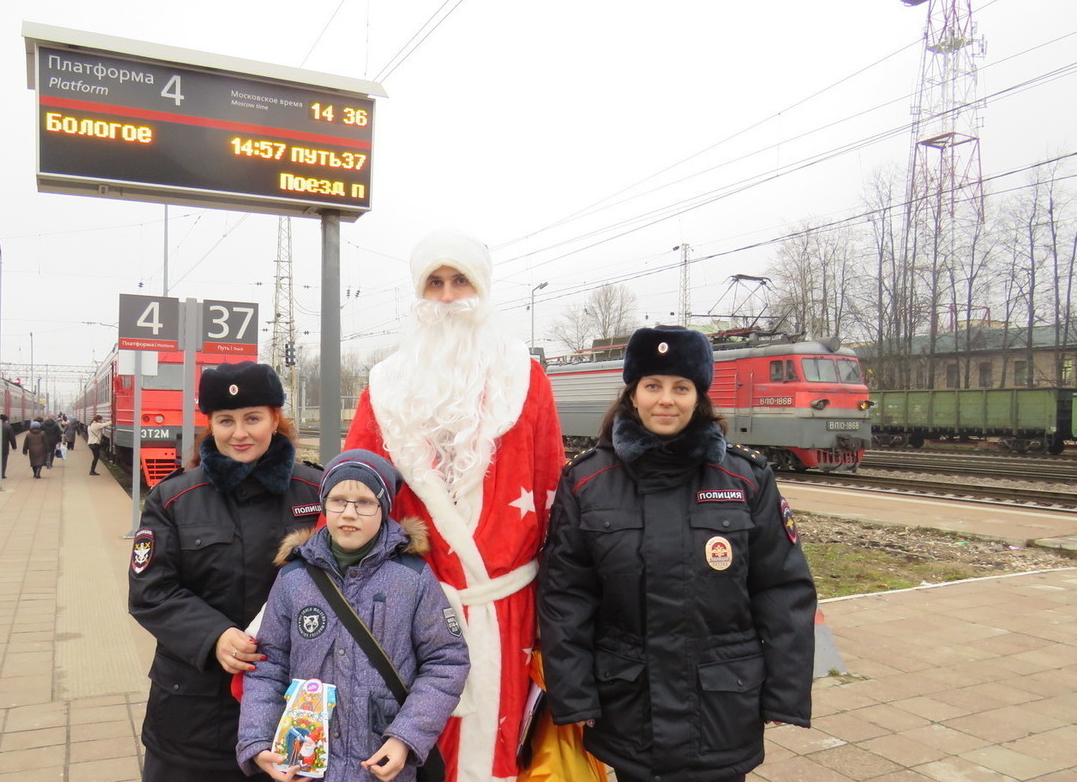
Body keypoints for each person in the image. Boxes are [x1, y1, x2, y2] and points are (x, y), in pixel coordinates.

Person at [536, 326, 817, 782]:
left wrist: (785, 693)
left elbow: (783, 589)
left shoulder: (746, 478)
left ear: (699, 396)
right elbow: (566, 596)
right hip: (628, 702)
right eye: (652, 386)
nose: (666, 400)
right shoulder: (587, 481)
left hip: (724, 701)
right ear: (632, 395)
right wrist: (576, 695)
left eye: (680, 387)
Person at [344, 231, 565, 782]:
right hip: (414, 610)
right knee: (415, 749)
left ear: (481, 289)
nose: (446, 297)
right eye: (434, 283)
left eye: (459, 280)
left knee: (499, 747)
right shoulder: (386, 386)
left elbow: (555, 489)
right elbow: (351, 492)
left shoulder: (526, 379)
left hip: (508, 608)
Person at [129, 361, 325, 782]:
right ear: (210, 424)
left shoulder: (319, 493)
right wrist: (213, 636)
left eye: (253, 418)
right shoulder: (173, 498)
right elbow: (150, 591)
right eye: (226, 420)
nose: (240, 433)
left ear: (275, 419)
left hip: (292, 710)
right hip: (193, 715)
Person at [237, 449, 470, 782]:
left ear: (384, 509)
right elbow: (268, 665)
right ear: (324, 504)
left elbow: (446, 662)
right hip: (305, 766)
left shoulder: (412, 578)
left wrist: (406, 738)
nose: (349, 513)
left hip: (380, 764)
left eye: (364, 502)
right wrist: (257, 741)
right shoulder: (294, 579)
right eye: (338, 500)